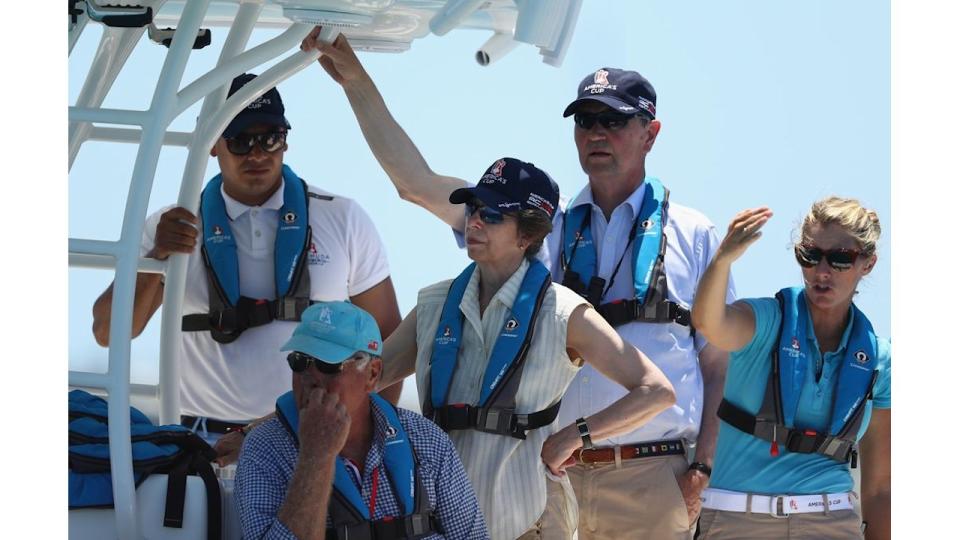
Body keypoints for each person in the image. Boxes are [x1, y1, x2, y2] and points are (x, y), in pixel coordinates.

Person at [301, 28, 734, 539]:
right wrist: (355, 79)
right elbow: (415, 184)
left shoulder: (696, 235)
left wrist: (703, 470)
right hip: (548, 479)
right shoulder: (536, 230)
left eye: (614, 120)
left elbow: (717, 368)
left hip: (650, 474)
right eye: (586, 121)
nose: (596, 133)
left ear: (651, 133)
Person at [91, 73, 402, 464]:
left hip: (306, 440)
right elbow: (109, 332)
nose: (257, 153)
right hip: (198, 443)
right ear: (212, 146)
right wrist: (158, 259)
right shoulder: (171, 226)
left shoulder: (343, 218)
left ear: (286, 140)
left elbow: (389, 340)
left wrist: (368, 446)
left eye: (270, 138)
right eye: (240, 141)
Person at [373, 157, 676, 540]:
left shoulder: (565, 313)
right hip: (437, 526)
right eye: (474, 210)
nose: (475, 222)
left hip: (530, 526)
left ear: (528, 235)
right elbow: (365, 379)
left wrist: (574, 436)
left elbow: (656, 391)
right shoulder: (433, 305)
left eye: (494, 215)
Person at [690, 198, 890, 539]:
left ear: (867, 264)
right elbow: (710, 324)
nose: (822, 271)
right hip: (737, 520)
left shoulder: (879, 360)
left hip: (831, 522)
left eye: (840, 258)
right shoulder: (766, 321)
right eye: (810, 255)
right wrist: (722, 260)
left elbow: (880, 490)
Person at [236, 301, 488, 539]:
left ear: (372, 373)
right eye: (299, 361)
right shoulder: (264, 448)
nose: (309, 376)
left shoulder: (427, 440)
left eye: (327, 364)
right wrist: (316, 457)